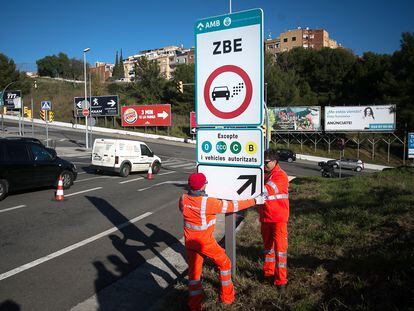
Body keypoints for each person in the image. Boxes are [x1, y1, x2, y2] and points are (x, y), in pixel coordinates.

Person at [179, 172, 265, 311]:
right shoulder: (208, 203)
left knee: (194, 273)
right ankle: (227, 299)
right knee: (225, 264)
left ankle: (194, 305)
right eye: (205, 182)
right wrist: (255, 201)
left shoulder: (183, 198)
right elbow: (232, 206)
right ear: (203, 185)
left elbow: (184, 209)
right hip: (205, 242)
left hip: (190, 242)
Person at [259, 149, 290, 292]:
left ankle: (281, 281)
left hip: (278, 220)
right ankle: (268, 274)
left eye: (266, 162)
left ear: (274, 161)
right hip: (266, 218)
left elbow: (265, 191)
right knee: (268, 249)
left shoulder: (281, 176)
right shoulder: (267, 175)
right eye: (263, 162)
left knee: (280, 251)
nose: (264, 164)